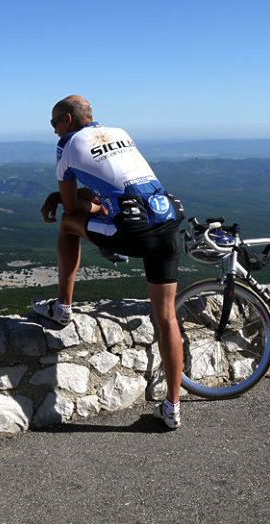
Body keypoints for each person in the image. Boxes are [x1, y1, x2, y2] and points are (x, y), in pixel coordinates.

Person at [34, 95, 185, 429]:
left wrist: (59, 198)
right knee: (167, 318)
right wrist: (101, 206)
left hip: (133, 232)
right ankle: (173, 408)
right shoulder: (121, 132)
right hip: (168, 224)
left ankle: (63, 307)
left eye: (54, 122)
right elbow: (114, 187)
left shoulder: (67, 145)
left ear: (68, 120)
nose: (53, 129)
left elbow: (73, 208)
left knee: (67, 225)